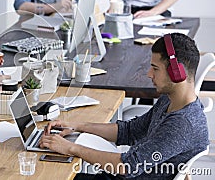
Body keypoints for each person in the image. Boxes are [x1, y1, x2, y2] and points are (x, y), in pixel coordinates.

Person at [40, 33, 209, 179]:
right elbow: (130, 131)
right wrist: (77, 127)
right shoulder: (170, 99)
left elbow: (126, 167)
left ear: (177, 73)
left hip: (127, 174)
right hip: (125, 173)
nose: (149, 74)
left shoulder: (182, 125)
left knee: (50, 172)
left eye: (155, 69)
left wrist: (70, 148)